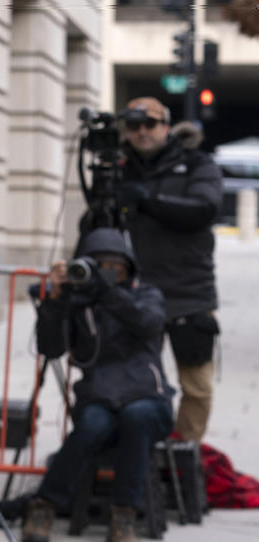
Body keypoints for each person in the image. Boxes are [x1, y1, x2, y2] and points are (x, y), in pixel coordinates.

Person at [22, 228, 175, 542]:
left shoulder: (146, 294)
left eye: (114, 267)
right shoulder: (79, 304)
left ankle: (124, 514)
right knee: (92, 425)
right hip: (100, 397)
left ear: (128, 267)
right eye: (99, 266)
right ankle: (44, 506)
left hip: (148, 397)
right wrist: (57, 298)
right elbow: (51, 348)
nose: (108, 274)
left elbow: (148, 323)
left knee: (137, 416)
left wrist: (107, 293)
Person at [118, 97, 223, 442]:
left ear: (166, 126)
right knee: (133, 382)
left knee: (197, 386)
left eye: (150, 124)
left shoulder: (197, 164)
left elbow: (204, 209)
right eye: (134, 125)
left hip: (188, 292)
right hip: (134, 294)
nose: (142, 131)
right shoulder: (118, 169)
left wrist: (148, 201)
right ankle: (140, 452)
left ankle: (184, 454)